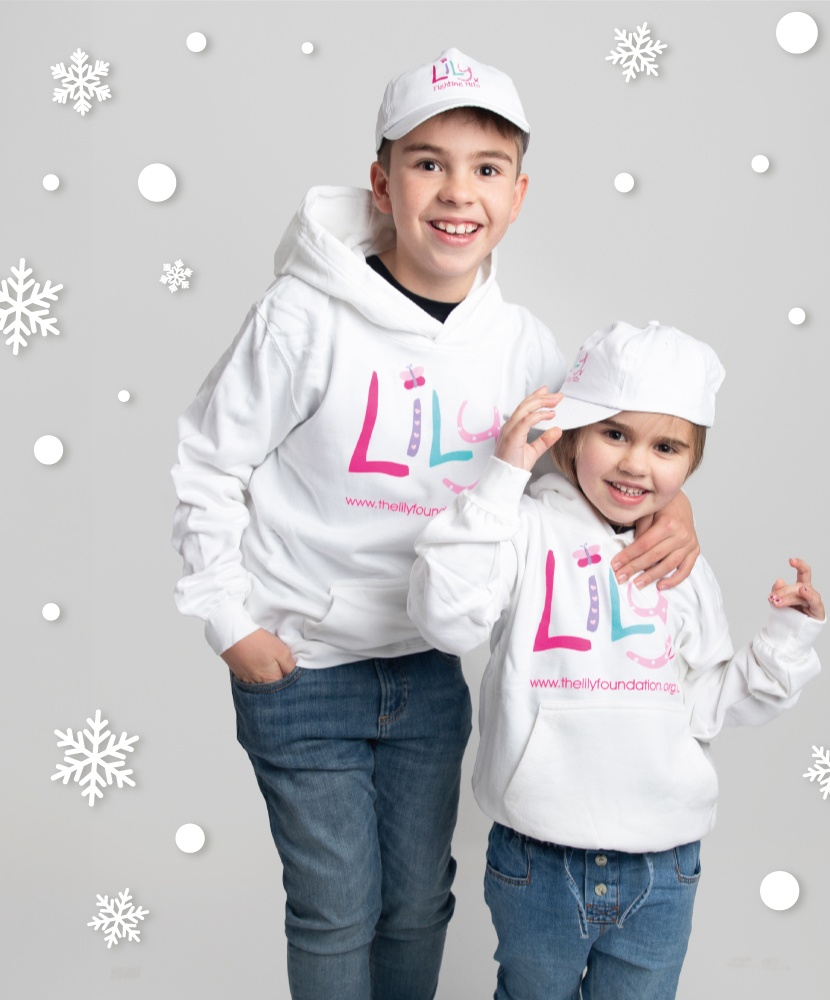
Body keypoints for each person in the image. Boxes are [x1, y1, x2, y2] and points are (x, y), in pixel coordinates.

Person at [170, 49, 700, 1000]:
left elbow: (601, 463)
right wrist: (228, 621)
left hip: (428, 667)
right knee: (337, 905)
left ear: (519, 194)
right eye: (428, 162)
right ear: (382, 183)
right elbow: (210, 461)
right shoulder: (303, 317)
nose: (458, 192)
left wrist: (677, 502)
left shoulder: (522, 344)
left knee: (419, 903)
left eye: (486, 170)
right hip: (301, 662)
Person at [408, 320, 826, 1000]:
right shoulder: (522, 529)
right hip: (539, 859)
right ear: (571, 434)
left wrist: (785, 638)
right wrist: (504, 479)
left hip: (664, 867)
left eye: (667, 447)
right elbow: (446, 619)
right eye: (615, 433)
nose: (637, 464)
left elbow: (707, 707)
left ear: (691, 464)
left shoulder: (680, 564)